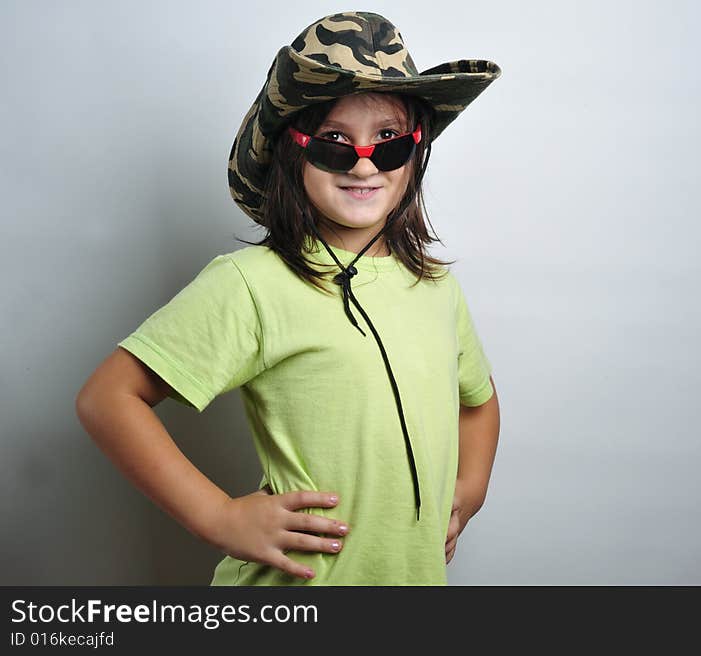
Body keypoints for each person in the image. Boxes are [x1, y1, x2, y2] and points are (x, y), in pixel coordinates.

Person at [76, 10, 502, 585]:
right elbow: (108, 398)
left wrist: (467, 491)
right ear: (292, 151)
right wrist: (218, 516)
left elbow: (478, 402)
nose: (363, 162)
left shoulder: (434, 286)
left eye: (388, 140)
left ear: (416, 150)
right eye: (333, 142)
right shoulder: (253, 283)